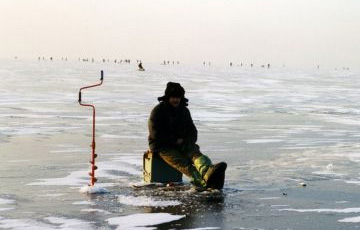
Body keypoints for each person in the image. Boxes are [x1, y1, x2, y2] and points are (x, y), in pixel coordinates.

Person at [148, 82, 227, 189]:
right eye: (173, 97)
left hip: (182, 142)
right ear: (168, 97)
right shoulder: (158, 111)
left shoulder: (184, 111)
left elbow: (192, 130)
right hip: (162, 146)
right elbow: (155, 134)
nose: (176, 100)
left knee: (195, 153)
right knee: (183, 163)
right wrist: (174, 141)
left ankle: (208, 172)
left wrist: (187, 141)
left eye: (178, 97)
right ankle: (203, 183)